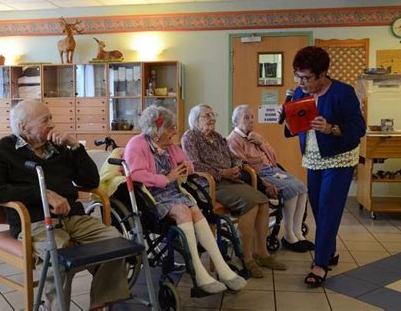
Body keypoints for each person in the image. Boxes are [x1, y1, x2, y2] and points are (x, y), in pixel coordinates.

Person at [0, 100, 129, 310]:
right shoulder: (3, 150)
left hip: (73, 217)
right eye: (45, 120)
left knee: (116, 243)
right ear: (24, 127)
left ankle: (101, 303)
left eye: (51, 118)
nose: (52, 123)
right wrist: (43, 194)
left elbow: (90, 182)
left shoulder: (59, 148)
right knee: (58, 254)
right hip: (34, 221)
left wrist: (76, 147)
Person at [124, 106, 247, 294]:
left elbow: (187, 162)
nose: (175, 131)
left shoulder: (169, 146)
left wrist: (186, 167)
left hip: (174, 192)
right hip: (150, 197)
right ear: (157, 132)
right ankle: (199, 273)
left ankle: (223, 269)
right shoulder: (137, 144)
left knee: (196, 210)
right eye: (171, 128)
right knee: (183, 211)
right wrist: (167, 178)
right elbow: (136, 174)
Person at [286, 46, 366, 287]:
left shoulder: (343, 92)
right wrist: (289, 118)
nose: (302, 82)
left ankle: (320, 264)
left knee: (329, 208)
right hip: (312, 158)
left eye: (307, 77)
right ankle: (329, 250)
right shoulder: (300, 92)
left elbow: (358, 128)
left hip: (338, 158)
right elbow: (293, 127)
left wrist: (331, 128)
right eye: (298, 76)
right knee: (318, 210)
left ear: (322, 75)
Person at [181, 104, 287, 278]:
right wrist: (223, 172)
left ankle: (262, 253)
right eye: (207, 115)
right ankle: (246, 257)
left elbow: (235, 158)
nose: (212, 118)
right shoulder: (190, 137)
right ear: (196, 119)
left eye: (213, 114)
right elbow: (195, 165)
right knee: (251, 203)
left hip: (229, 180)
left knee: (263, 201)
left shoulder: (218, 137)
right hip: (208, 185)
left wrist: (236, 168)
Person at [227, 105, 314, 253]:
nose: (251, 121)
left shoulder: (255, 136)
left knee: (302, 187)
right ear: (235, 122)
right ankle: (288, 235)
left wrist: (261, 142)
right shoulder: (233, 140)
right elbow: (244, 166)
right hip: (260, 175)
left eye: (252, 117)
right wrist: (264, 181)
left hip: (273, 170)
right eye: (246, 118)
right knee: (292, 190)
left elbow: (273, 158)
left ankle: (297, 232)